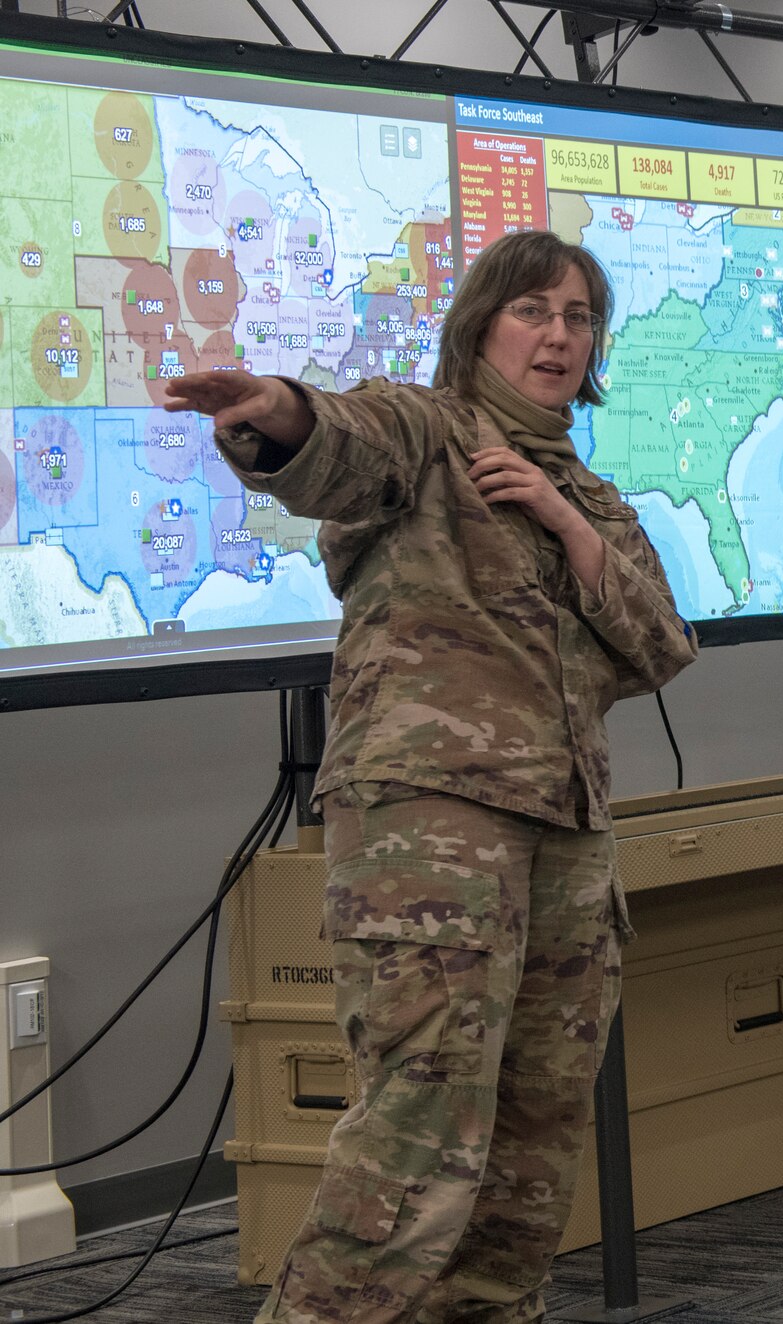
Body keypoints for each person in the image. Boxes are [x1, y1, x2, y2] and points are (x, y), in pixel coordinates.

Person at [165, 229, 698, 1322]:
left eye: (579, 316)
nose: (557, 335)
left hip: (565, 835)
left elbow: (657, 645)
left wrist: (557, 519)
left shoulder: (588, 496)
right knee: (420, 1134)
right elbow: (340, 445)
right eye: (532, 310)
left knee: (529, 1153)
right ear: (478, 325)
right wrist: (276, 412)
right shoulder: (426, 429)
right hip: (433, 833)